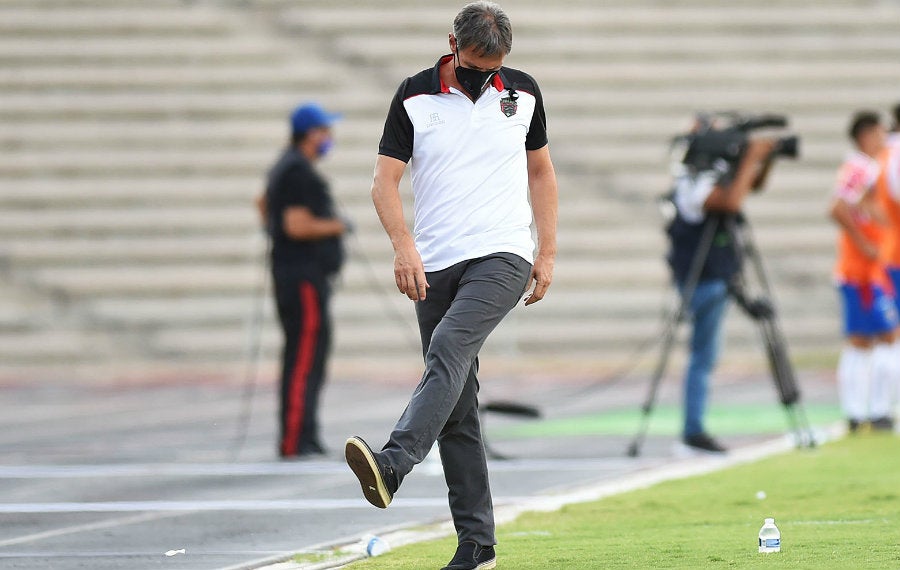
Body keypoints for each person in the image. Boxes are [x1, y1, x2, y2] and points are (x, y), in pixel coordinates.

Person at [343, 2, 558, 569]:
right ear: (452, 44)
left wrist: (547, 251)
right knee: (457, 409)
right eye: (474, 65)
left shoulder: (524, 93)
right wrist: (404, 248)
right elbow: (383, 181)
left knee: (449, 348)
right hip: (434, 263)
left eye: (495, 68)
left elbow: (541, 171)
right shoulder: (414, 95)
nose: (484, 77)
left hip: (504, 254)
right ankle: (477, 546)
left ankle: (393, 462)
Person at [665, 122, 777, 455]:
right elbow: (729, 202)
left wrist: (762, 160)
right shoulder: (694, 180)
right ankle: (693, 430)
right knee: (703, 357)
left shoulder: (704, 176)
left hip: (715, 275)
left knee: (705, 356)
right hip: (704, 278)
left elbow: (749, 187)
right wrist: (749, 159)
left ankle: (694, 428)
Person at [256, 102, 350, 459]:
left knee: (309, 355)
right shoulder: (297, 171)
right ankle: (295, 439)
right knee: (304, 357)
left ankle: (305, 435)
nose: (330, 138)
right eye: (326, 131)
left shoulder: (289, 167)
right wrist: (338, 225)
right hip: (302, 280)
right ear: (311, 135)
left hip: (301, 278)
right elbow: (295, 225)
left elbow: (262, 204)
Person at [830, 110, 897, 433]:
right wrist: (865, 243)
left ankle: (865, 412)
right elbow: (838, 207)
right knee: (874, 338)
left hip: (871, 271)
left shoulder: (867, 167)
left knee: (872, 340)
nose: (883, 139)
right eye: (879, 133)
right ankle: (866, 412)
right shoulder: (861, 167)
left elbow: (862, 207)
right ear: (866, 136)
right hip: (860, 271)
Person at [871, 105, 900, 431]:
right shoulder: (893, 154)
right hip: (896, 257)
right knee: (891, 336)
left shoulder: (884, 154)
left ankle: (880, 408)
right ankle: (881, 409)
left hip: (891, 252)